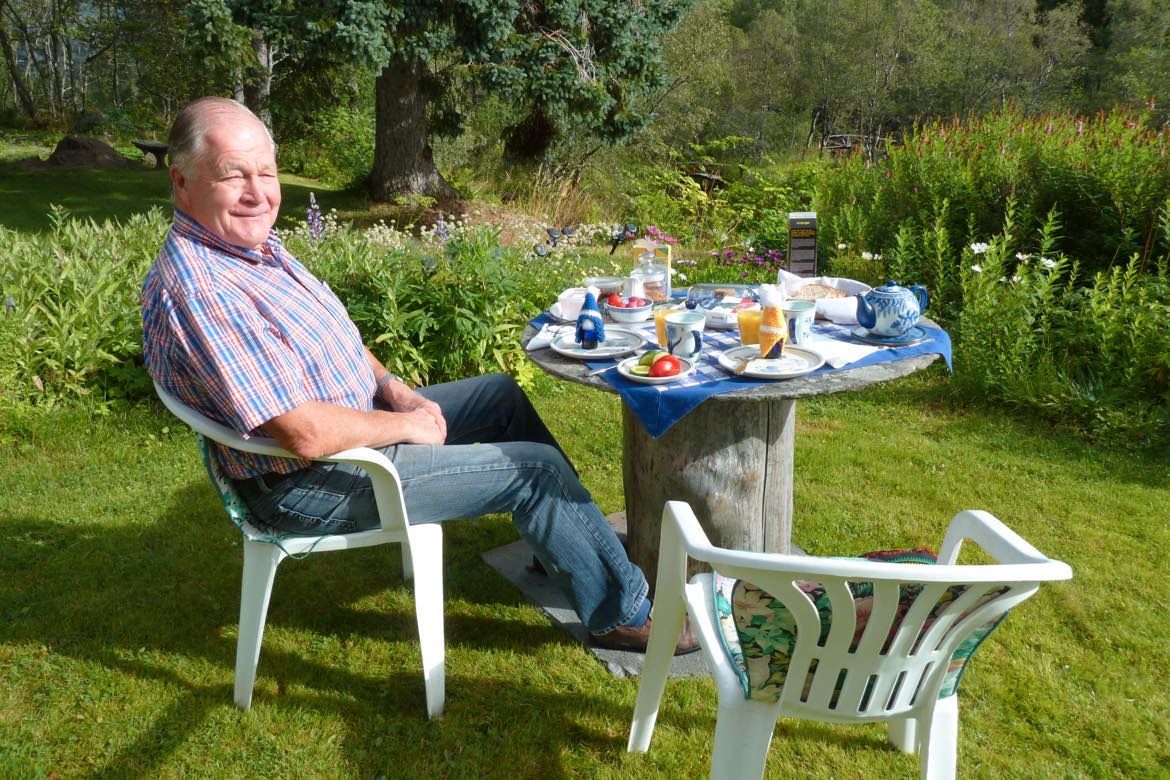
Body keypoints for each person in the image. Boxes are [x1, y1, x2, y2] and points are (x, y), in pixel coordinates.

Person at [141, 96, 696, 655]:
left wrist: (396, 391)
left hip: (349, 428)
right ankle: (622, 616)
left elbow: (337, 339)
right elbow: (302, 434)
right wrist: (406, 426)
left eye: (266, 172)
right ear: (182, 181)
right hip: (308, 482)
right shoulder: (203, 287)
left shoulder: (252, 249)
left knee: (500, 397)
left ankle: (572, 551)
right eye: (233, 175)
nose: (257, 192)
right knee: (536, 473)